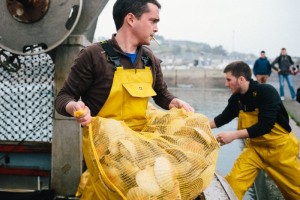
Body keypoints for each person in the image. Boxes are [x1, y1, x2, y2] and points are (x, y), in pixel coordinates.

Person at [55, 0, 195, 199]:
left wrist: (174, 102)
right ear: (130, 19)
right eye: (153, 20)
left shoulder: (149, 59)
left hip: (140, 153)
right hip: (105, 156)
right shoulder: (94, 55)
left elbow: (163, 96)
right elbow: (63, 98)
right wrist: (74, 106)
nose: (156, 28)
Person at [209, 61, 300, 200]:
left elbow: (265, 125)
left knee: (295, 191)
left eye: (228, 79)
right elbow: (222, 118)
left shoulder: (266, 92)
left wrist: (233, 135)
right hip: (255, 150)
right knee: (232, 184)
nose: (226, 84)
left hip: (281, 150)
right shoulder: (236, 99)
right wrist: (199, 126)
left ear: (241, 79)